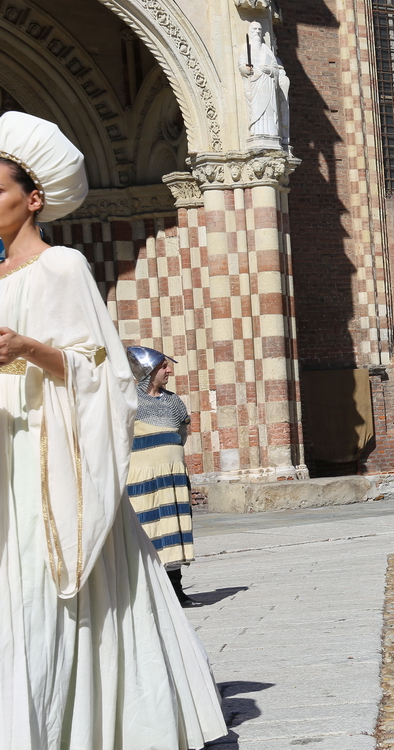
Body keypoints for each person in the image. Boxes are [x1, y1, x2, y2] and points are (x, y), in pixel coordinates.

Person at [0, 111, 226, 747]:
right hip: (5, 456)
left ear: (33, 198)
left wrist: (27, 348)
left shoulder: (64, 266)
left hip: (55, 460)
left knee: (48, 605)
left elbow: (106, 375)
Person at [126, 345, 200, 607]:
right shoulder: (128, 401)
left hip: (173, 477)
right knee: (147, 530)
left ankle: (176, 591)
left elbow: (182, 434)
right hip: (141, 478)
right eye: (164, 366)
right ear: (149, 371)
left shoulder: (173, 401)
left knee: (173, 530)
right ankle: (145, 592)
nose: (169, 370)